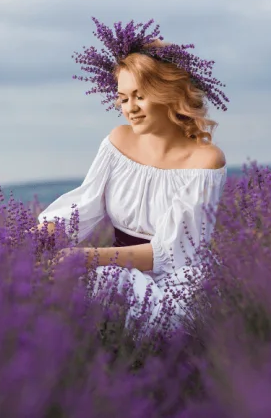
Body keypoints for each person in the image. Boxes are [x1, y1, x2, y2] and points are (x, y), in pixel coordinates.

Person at [33, 17, 229, 334]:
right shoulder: (118, 141)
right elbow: (86, 205)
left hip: (179, 281)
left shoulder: (205, 160)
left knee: (149, 317)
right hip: (114, 268)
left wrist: (89, 259)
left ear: (168, 92)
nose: (130, 108)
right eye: (123, 98)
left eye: (139, 95)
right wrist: (35, 239)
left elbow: (172, 253)